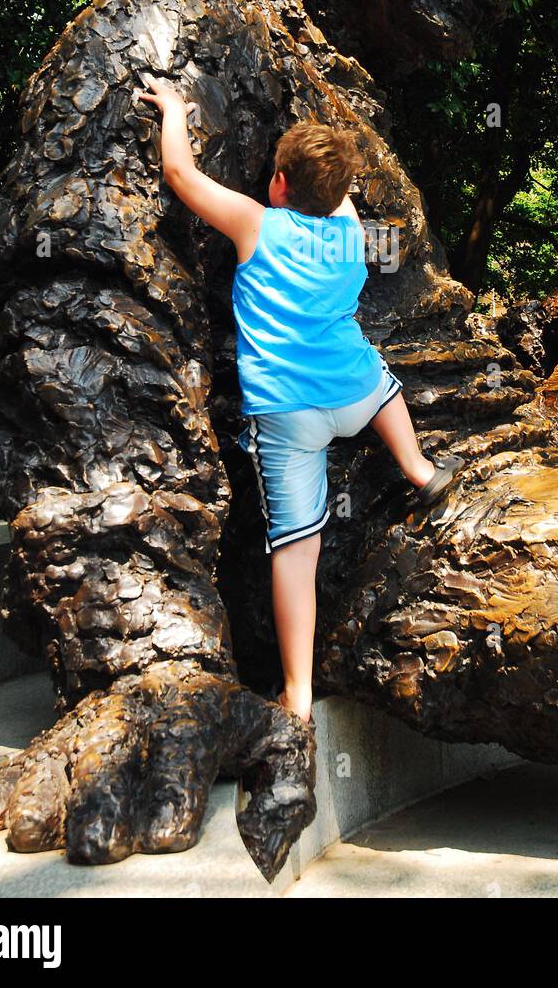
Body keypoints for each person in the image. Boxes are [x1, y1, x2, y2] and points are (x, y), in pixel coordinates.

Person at [137, 75, 464, 723]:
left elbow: (181, 173)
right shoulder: (348, 237)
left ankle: (298, 693)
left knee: (295, 551)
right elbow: (335, 199)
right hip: (354, 395)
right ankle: (420, 468)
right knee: (379, 380)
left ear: (278, 184)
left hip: (290, 418)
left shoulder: (256, 225)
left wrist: (174, 107)